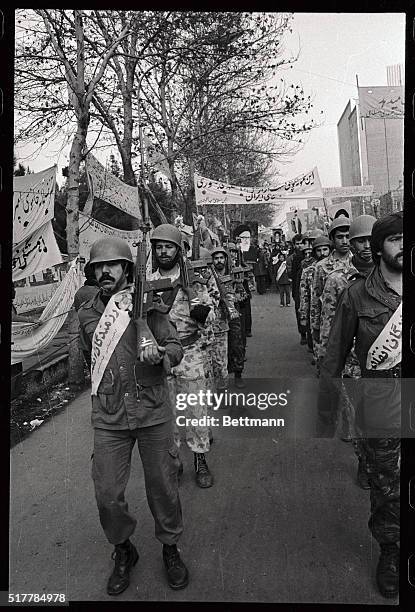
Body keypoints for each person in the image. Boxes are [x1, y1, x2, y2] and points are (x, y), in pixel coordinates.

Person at [77, 237, 188, 595]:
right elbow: (86, 359)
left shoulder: (150, 305)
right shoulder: (87, 314)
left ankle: (170, 547)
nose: (104, 271)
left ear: (127, 269)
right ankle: (123, 549)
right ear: (92, 272)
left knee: (164, 488)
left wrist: (162, 354)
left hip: (152, 411)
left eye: (112, 264)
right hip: (109, 416)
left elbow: (176, 347)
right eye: (99, 266)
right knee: (107, 493)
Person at [318, 211, 402, 599]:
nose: (403, 246)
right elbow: (334, 352)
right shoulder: (357, 294)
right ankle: (391, 551)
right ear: (378, 247)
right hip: (381, 400)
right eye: (394, 239)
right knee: (386, 485)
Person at [148, 224, 214, 488]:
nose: (164, 252)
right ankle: (174, 461)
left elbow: (210, 317)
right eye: (159, 247)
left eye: (169, 247)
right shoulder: (148, 282)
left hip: (191, 353)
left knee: (196, 412)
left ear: (178, 250)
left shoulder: (194, 281)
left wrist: (192, 298)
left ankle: (200, 459)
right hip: (161, 357)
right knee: (169, 414)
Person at [318, 215, 376, 487]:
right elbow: (329, 325)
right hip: (353, 362)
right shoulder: (337, 279)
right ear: (351, 244)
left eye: (370, 240)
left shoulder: (392, 273)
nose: (366, 246)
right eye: (360, 241)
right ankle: (364, 462)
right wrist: (327, 361)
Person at [310, 216, 352, 364]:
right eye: (340, 237)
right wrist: (315, 328)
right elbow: (315, 299)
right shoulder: (321, 266)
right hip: (329, 326)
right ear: (332, 239)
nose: (345, 241)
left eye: (348, 236)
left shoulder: (359, 262)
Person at [299, 235, 331, 362]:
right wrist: (303, 316)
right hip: (316, 313)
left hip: (334, 312)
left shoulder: (338, 268)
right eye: (319, 250)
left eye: (325, 249)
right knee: (318, 344)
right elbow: (304, 295)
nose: (322, 253)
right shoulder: (308, 271)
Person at [286, 234, 306, 343]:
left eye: (302, 243)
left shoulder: (310, 255)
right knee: (300, 311)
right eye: (297, 244)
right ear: (294, 245)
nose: (300, 246)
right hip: (298, 288)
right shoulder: (292, 258)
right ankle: (303, 334)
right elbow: (291, 275)